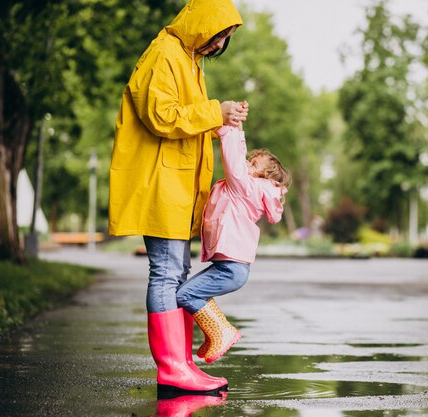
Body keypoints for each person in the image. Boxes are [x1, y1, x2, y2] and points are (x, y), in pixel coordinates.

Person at [108, 0, 247, 396]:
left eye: (226, 39)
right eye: (219, 34)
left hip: (176, 187)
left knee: (175, 273)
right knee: (167, 273)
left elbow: (188, 116)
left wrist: (220, 115)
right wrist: (214, 111)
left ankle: (182, 363)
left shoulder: (186, 58)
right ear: (202, 24)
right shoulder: (165, 53)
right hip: (161, 185)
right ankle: (172, 368)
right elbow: (162, 115)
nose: (219, 44)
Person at [176, 124, 291, 364]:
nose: (247, 164)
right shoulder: (247, 187)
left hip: (231, 269)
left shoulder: (246, 187)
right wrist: (237, 128)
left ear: (263, 177)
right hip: (230, 268)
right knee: (187, 293)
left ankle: (221, 331)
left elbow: (234, 161)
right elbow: (239, 160)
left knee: (185, 295)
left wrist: (229, 131)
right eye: (249, 160)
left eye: (253, 164)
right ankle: (217, 331)